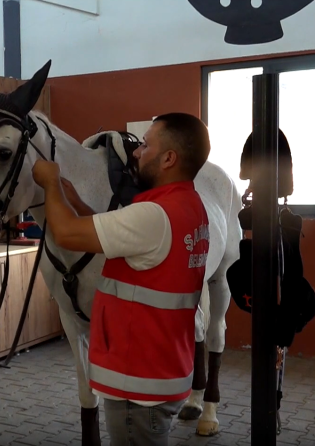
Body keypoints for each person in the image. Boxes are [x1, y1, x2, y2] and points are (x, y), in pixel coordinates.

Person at [31, 112, 212, 446]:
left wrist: (51, 182)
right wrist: (78, 204)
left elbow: (67, 234)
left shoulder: (152, 216)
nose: (136, 152)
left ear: (169, 158)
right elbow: (125, 237)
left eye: (145, 145)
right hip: (161, 371)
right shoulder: (187, 207)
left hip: (139, 386)